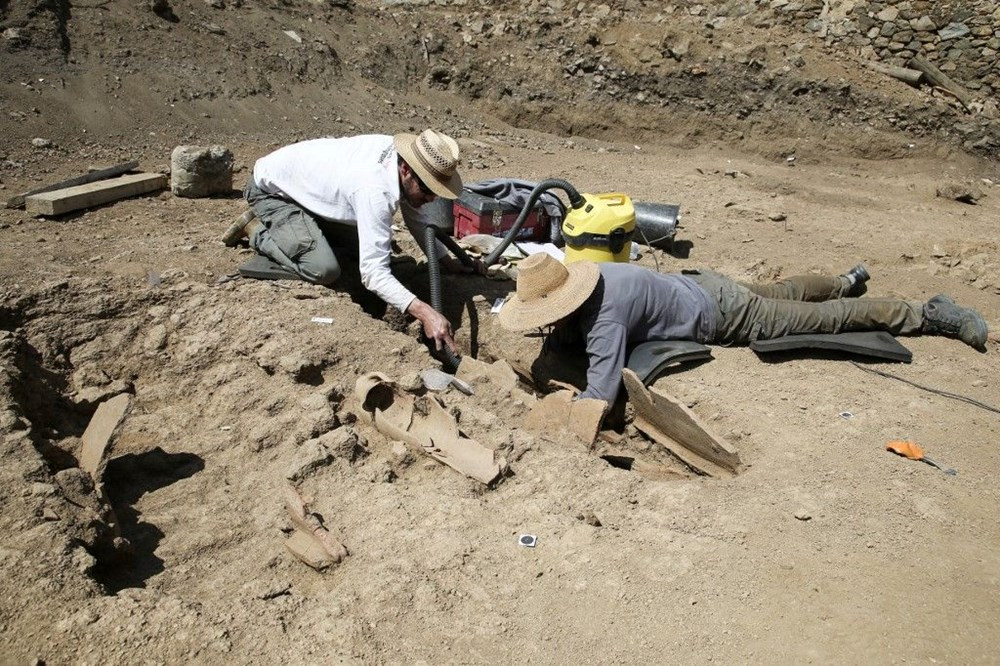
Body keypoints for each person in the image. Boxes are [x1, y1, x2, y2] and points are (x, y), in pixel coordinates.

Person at [498, 254, 989, 405]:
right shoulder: (592, 272)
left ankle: (927, 313)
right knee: (787, 290)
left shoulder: (604, 318)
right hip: (701, 285)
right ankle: (844, 279)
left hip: (727, 315)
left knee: (823, 319)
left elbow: (600, 394)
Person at [222, 129, 474, 353]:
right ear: (406, 170)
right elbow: (373, 274)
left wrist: (447, 261)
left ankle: (305, 231)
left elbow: (416, 218)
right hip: (273, 192)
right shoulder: (374, 191)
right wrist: (426, 313)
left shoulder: (400, 161)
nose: (431, 199)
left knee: (366, 249)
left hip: (308, 192)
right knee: (324, 269)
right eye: (428, 190)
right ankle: (256, 230)